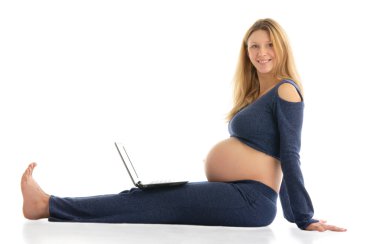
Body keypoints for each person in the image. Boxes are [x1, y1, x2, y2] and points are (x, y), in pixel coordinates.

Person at [21, 18, 346, 232]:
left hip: (252, 201)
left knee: (147, 201)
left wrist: (302, 217)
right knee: (148, 196)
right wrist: (292, 215)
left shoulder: (286, 90)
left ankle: (46, 204)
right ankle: (48, 204)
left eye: (269, 44)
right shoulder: (255, 94)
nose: (262, 53)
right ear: (246, 52)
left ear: (281, 47)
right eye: (254, 46)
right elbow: (276, 154)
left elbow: (289, 155)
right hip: (239, 194)